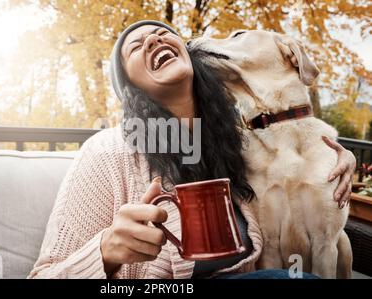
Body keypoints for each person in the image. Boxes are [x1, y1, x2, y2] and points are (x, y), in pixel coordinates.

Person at [28, 20, 356, 279]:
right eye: (136, 47)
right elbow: (45, 275)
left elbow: (292, 161)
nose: (154, 40)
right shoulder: (107, 151)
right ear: (129, 87)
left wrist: (336, 157)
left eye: (161, 34)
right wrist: (106, 251)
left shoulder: (235, 145)